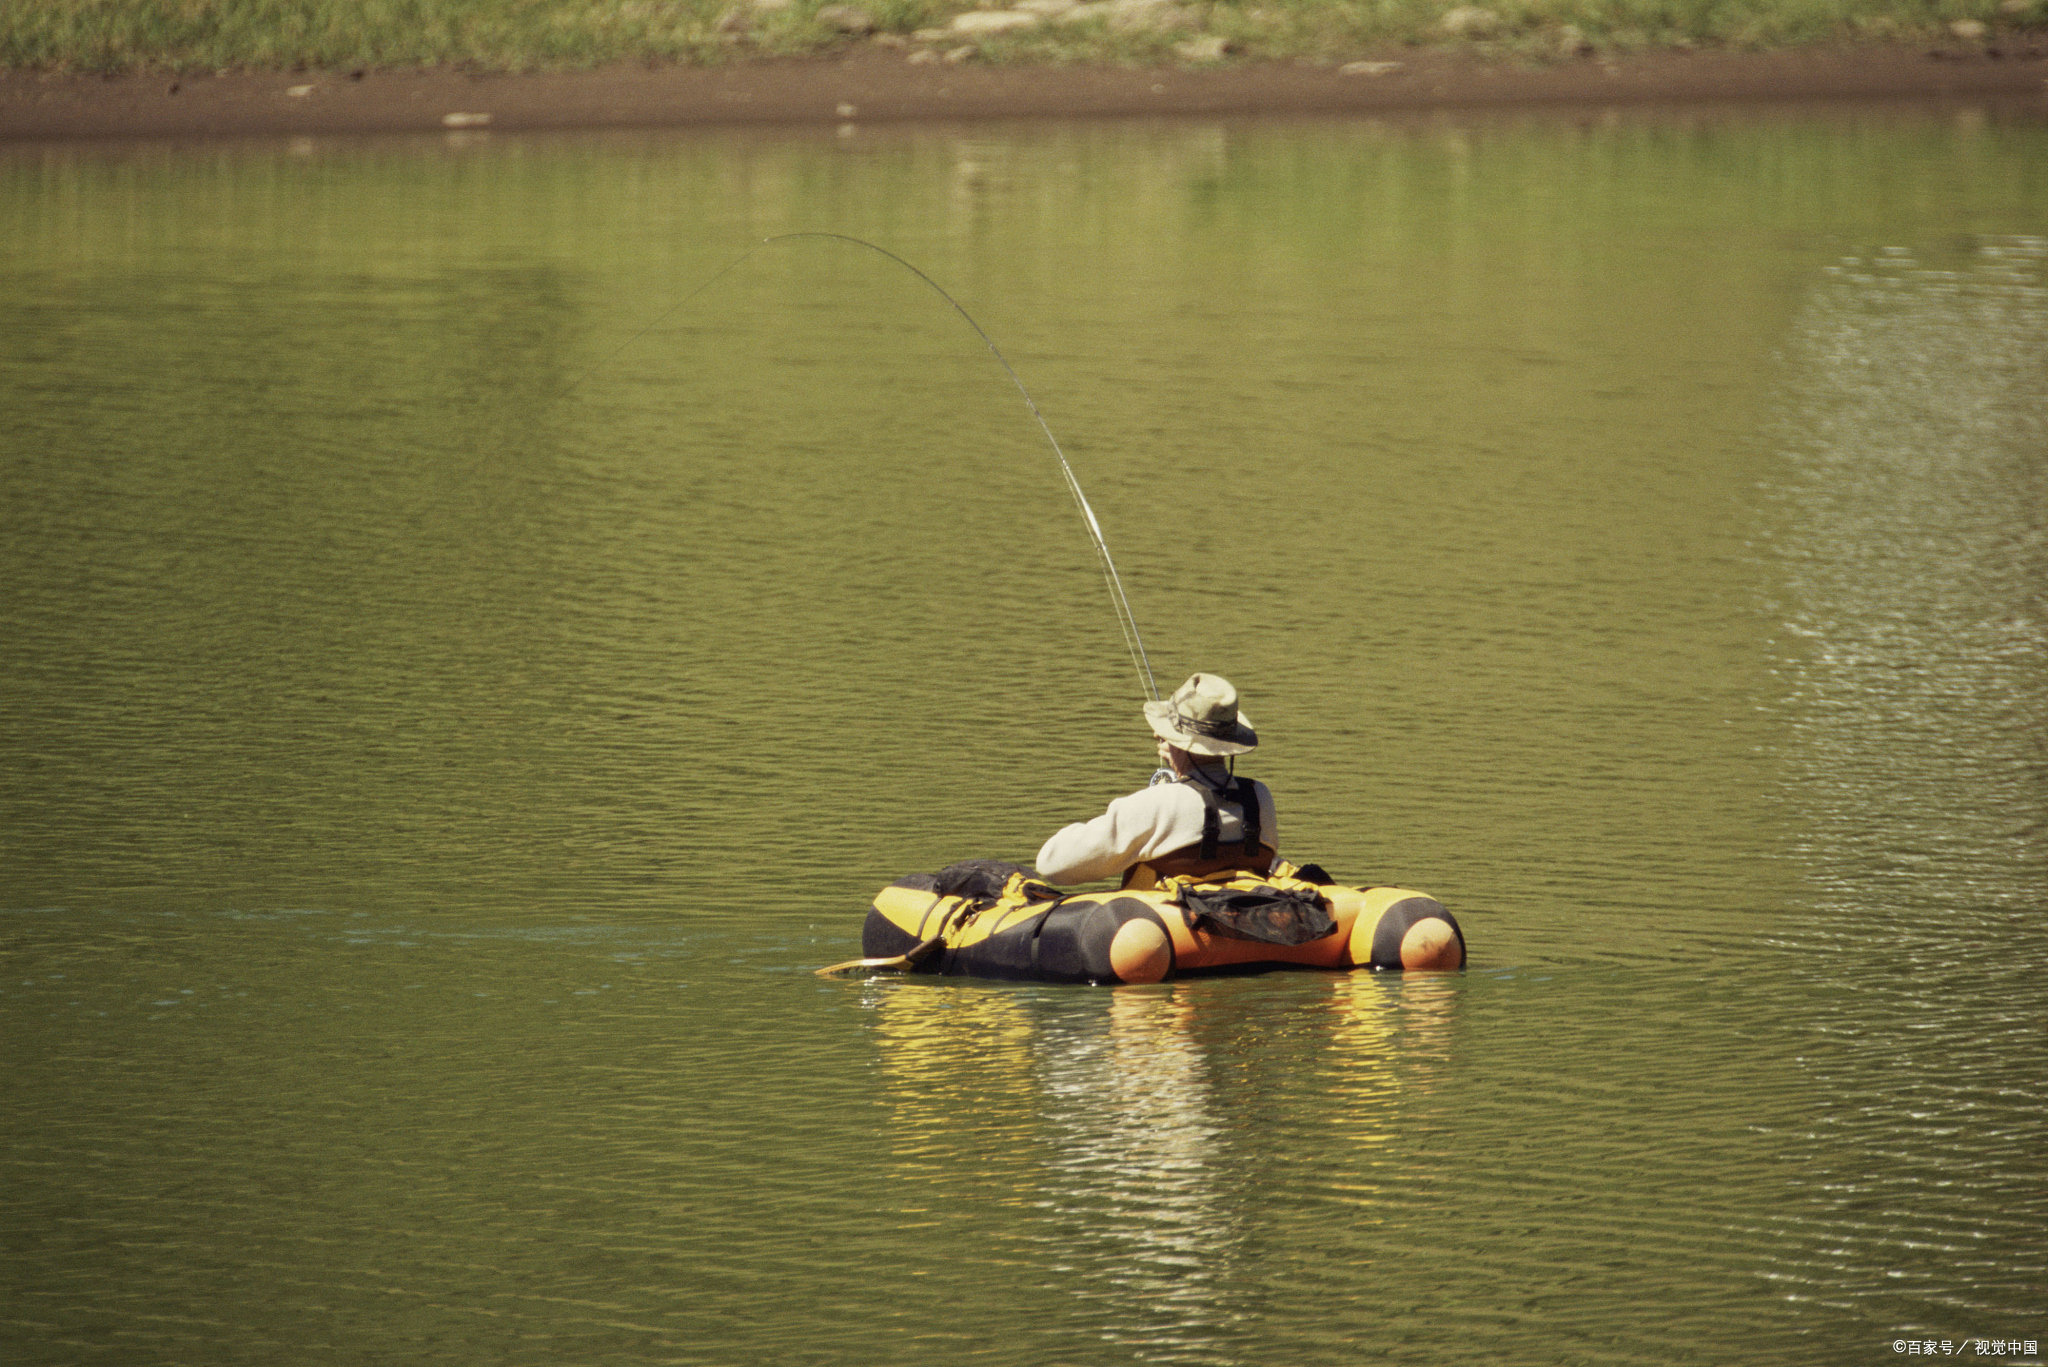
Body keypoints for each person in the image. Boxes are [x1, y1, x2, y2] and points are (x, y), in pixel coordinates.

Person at [1034, 673, 1278, 888]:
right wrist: (1179, 758)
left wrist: (1163, 793)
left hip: (1163, 934)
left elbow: (1051, 864)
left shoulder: (1156, 804)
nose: (1155, 734)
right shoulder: (1260, 797)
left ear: (1178, 741)